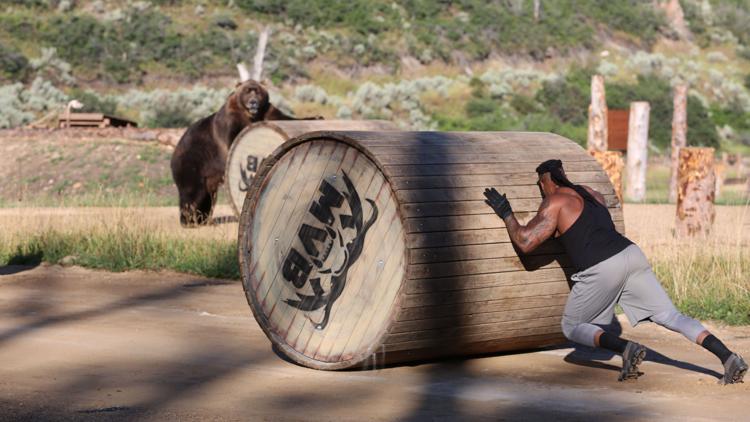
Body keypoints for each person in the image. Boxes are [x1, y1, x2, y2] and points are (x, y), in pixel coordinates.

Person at [483, 159, 747, 384]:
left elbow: (526, 242)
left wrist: (506, 213)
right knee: (669, 315)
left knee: (572, 326)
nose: (542, 192)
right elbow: (587, 228)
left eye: (540, 186)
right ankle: (728, 357)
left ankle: (626, 348)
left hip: (602, 266)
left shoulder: (555, 201)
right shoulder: (590, 193)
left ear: (545, 182)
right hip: (631, 254)